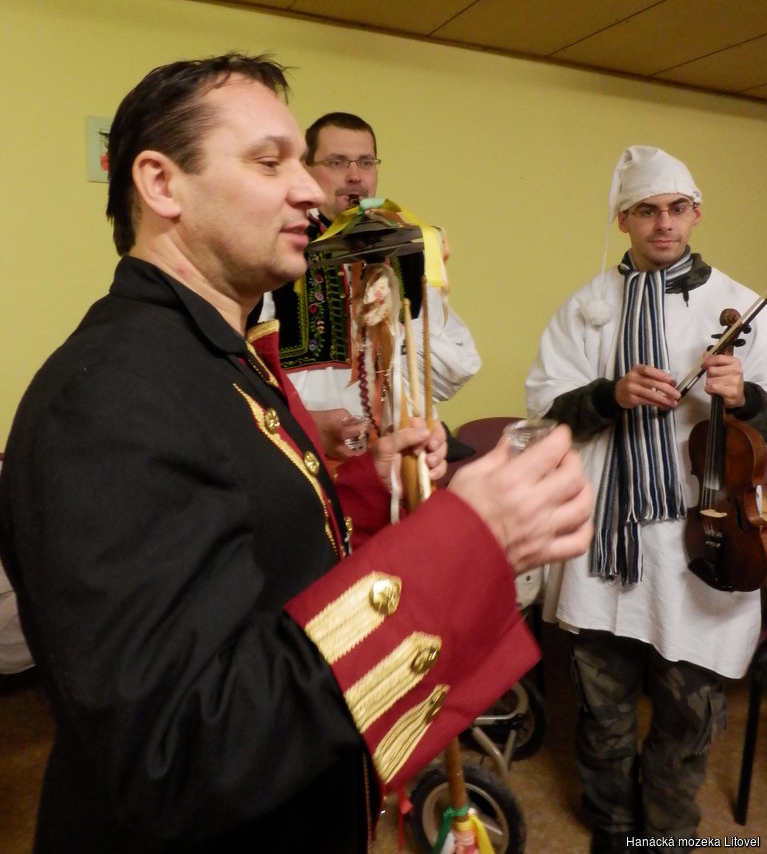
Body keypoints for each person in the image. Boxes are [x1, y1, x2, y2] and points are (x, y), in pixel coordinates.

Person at [0, 53, 593, 854]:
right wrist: (463, 545)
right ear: (161, 183)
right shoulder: (108, 392)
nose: (312, 190)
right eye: (269, 161)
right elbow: (180, 749)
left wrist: (366, 491)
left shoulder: (212, 355)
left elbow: (249, 551)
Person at [526, 145, 767, 852]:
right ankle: (612, 825)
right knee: (600, 708)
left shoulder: (740, 302)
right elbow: (544, 408)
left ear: (696, 213)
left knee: (688, 714)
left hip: (706, 533)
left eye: (676, 208)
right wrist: (611, 394)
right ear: (623, 219)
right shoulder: (588, 308)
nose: (663, 223)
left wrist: (746, 398)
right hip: (607, 535)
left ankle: (667, 832)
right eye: (646, 210)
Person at [259, 111, 481, 461]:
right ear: (305, 169)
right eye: (336, 162)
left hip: (395, 458)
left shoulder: (405, 250)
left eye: (365, 162)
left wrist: (391, 335)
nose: (354, 175)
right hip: (300, 453)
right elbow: (244, 371)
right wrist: (304, 421)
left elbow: (456, 369)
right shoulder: (277, 248)